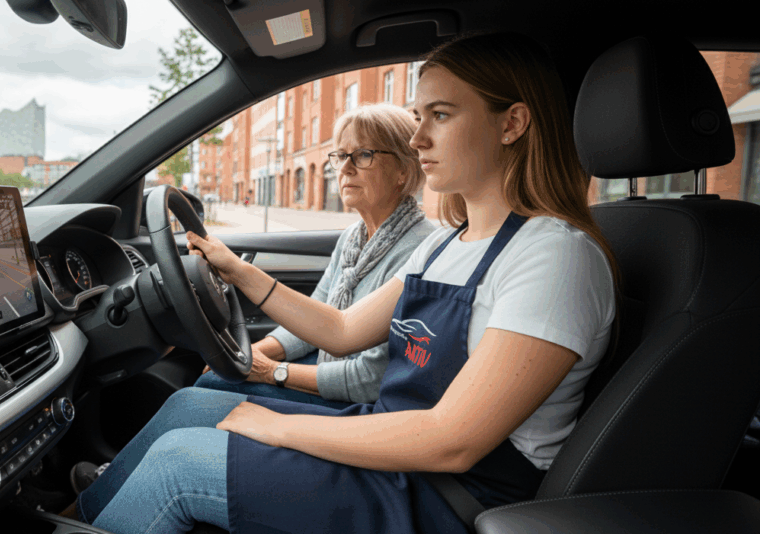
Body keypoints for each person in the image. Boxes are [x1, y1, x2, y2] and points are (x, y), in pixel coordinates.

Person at [74, 32, 621, 534]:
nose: (418, 138)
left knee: (179, 464)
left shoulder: (555, 257)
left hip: (447, 494)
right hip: (394, 444)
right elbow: (340, 330)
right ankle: (78, 518)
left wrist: (279, 426)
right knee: (187, 409)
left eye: (440, 115)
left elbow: (452, 441)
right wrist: (238, 270)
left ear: (512, 123)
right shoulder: (446, 244)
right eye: (418, 116)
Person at [193, 103, 436, 408]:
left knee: (211, 386)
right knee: (220, 377)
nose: (345, 168)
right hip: (332, 369)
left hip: (363, 404)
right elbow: (313, 322)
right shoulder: (353, 238)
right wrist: (254, 353)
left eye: (363, 155)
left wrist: (271, 371)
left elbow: (372, 378)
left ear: (403, 169)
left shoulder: (417, 250)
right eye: (341, 156)